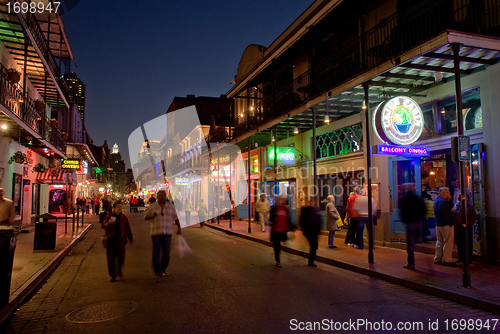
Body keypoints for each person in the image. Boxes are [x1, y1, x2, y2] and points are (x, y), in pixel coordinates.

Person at [144, 190, 182, 283]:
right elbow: (145, 217)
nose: (161, 196)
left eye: (163, 195)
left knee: (166, 255)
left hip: (167, 233)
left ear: (166, 196)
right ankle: (157, 273)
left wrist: (179, 228)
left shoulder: (171, 207)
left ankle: (161, 269)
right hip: (155, 233)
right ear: (157, 197)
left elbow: (176, 217)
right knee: (156, 253)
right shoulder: (152, 206)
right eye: (159, 195)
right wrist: (152, 215)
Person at [102, 200, 133, 282]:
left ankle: (119, 269)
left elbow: (127, 228)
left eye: (121, 207)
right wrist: (109, 223)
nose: (120, 209)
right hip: (111, 240)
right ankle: (113, 275)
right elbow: (104, 225)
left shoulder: (124, 217)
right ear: (114, 208)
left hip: (121, 240)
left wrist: (130, 238)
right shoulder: (109, 216)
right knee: (111, 259)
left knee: (121, 258)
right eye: (118, 207)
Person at [399, 184, 426, 270]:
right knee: (413, 242)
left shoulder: (405, 199)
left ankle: (411, 263)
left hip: (410, 223)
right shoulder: (417, 198)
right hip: (418, 222)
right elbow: (424, 208)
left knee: (410, 244)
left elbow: (402, 211)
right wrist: (420, 217)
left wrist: (405, 219)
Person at [433, 187, 456, 266]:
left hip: (438, 224)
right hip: (445, 225)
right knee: (448, 242)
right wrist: (451, 220)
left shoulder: (437, 201)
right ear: (442, 193)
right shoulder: (443, 203)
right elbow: (446, 215)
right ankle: (447, 259)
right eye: (447, 193)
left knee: (439, 242)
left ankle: (437, 258)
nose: (449, 194)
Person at [454, 193, 478, 264]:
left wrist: (469, 223)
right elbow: (454, 215)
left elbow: (475, 216)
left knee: (468, 243)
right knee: (460, 243)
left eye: (465, 197)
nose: (464, 198)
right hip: (458, 227)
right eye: (462, 197)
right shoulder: (457, 205)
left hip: (467, 228)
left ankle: (468, 259)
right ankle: (461, 258)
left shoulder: (470, 206)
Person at [269, 195, 292, 267]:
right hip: (276, 230)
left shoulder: (285, 209)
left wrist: (291, 227)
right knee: (277, 246)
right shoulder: (275, 208)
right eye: (280, 200)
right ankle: (278, 261)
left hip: (283, 230)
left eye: (283, 200)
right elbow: (271, 219)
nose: (282, 201)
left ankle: (282, 256)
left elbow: (288, 219)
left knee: (283, 243)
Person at [300, 197, 322, 267]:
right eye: (312, 202)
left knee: (314, 246)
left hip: (315, 231)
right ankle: (311, 262)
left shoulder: (316, 210)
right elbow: (302, 220)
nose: (314, 203)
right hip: (309, 231)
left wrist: (319, 229)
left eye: (315, 202)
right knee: (313, 246)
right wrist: (304, 229)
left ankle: (311, 261)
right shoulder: (306, 210)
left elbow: (319, 220)